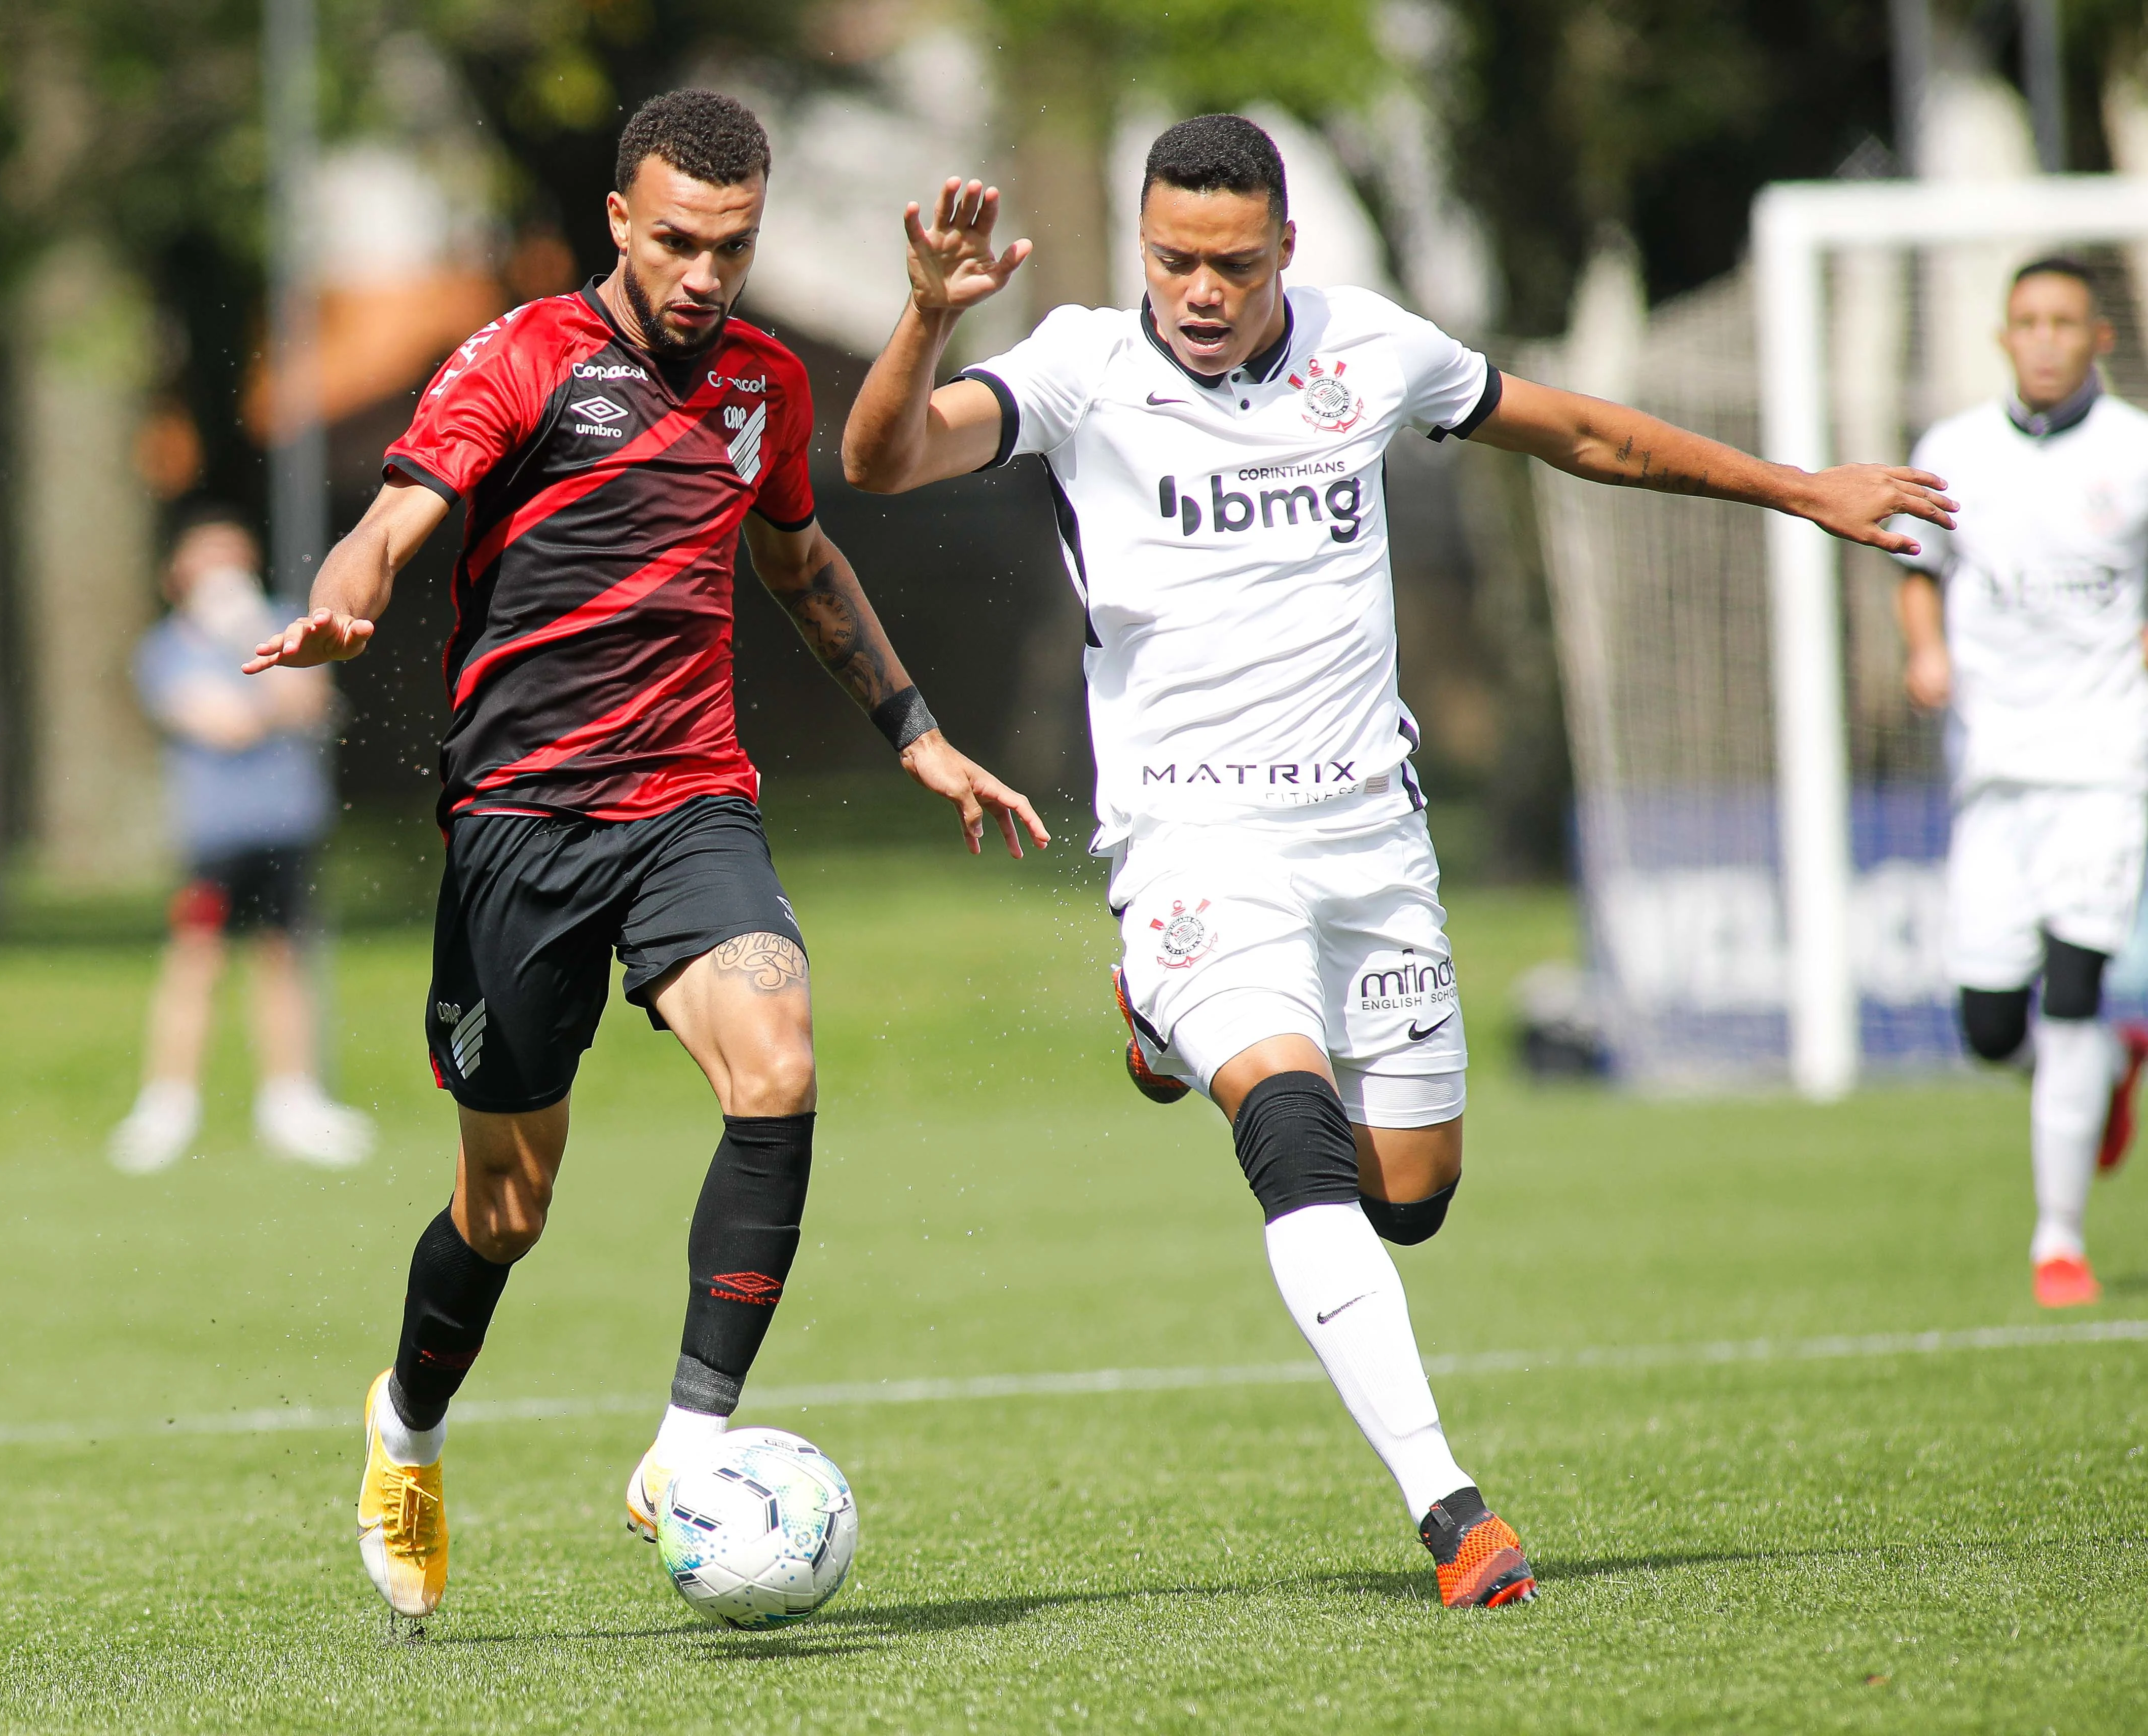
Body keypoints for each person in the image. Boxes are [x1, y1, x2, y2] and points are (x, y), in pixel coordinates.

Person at [841, 114, 1952, 1608]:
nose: (1201, 290)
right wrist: (925, 315)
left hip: (1370, 836)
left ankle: (1161, 1023)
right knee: (1292, 1138)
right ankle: (1453, 1511)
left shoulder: (1371, 352)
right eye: (1173, 258)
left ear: (1287, 249)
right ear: (1140, 249)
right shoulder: (1077, 369)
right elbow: (882, 456)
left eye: (1232, 262)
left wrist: (1800, 490)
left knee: (1410, 1193)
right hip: (1193, 840)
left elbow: (1588, 435)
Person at [243, 89, 1045, 1622]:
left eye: (731, 246)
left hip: (688, 805)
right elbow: (394, 521)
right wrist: (348, 599)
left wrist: (916, 729)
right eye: (677, 240)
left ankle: (687, 1446)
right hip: (520, 832)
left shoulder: (760, 385)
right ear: (620, 219)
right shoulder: (524, 358)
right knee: (507, 1211)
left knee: (781, 1057)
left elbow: (802, 562)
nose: (704, 275)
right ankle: (405, 1429)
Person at [1892, 257, 2148, 1310]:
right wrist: (1925, 653)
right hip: (1991, 770)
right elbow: (1920, 573)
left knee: (2078, 985)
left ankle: (2058, 1242)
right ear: (2004, 337)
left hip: (2104, 765)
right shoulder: (1952, 452)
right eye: (2025, 321)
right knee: (1993, 1025)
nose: (2042, 338)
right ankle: (2102, 1074)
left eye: (2063, 322)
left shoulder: (2135, 451)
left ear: (2098, 337)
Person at [110, 509, 375, 1174]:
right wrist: (265, 697)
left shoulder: (281, 623)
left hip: (288, 825)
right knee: (196, 960)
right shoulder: (168, 647)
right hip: (215, 838)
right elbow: (218, 723)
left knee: (283, 958)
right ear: (180, 577)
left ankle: (292, 1102)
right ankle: (169, 1106)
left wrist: (254, 640)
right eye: (210, 562)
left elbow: (314, 702)